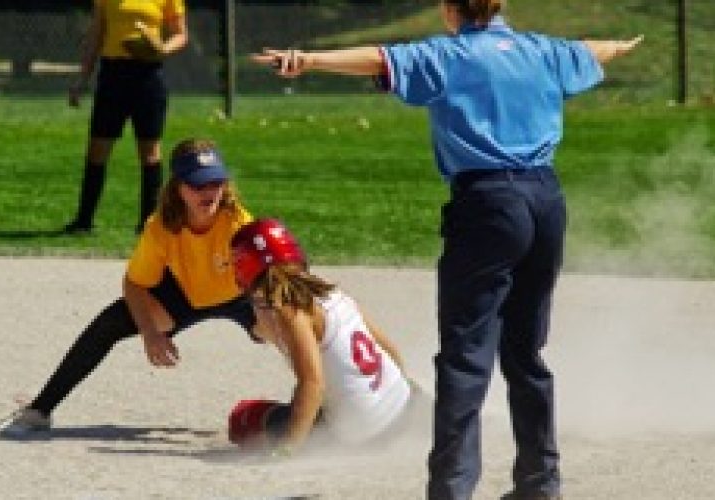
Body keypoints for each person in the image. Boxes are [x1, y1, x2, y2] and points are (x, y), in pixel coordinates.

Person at [251, 1, 642, 498]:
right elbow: (593, 51)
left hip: (487, 206)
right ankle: (541, 484)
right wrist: (620, 48)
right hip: (546, 202)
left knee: (465, 357)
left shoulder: (449, 55)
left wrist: (306, 60)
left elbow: (377, 58)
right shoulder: (541, 50)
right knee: (525, 352)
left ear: (449, 8)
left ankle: (452, 490)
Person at [0, 138, 254, 437]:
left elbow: (267, 279)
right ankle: (39, 411)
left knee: (292, 325)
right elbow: (134, 284)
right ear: (178, 187)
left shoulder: (238, 222)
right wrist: (149, 333)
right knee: (109, 323)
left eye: (215, 182)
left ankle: (316, 408)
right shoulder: (161, 226)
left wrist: (277, 319)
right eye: (197, 185)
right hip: (183, 295)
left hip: (240, 294)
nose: (208, 193)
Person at [226, 218, 422, 458]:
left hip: (365, 434)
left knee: (244, 417)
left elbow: (312, 384)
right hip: (407, 404)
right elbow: (387, 348)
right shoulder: (330, 291)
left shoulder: (289, 311)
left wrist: (289, 448)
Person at [64, 0, 189, 235]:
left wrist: (162, 48)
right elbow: (96, 35)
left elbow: (181, 35)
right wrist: (82, 78)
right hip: (113, 74)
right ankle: (83, 220)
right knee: (98, 148)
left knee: (150, 151)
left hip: (148, 75)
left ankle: (149, 223)